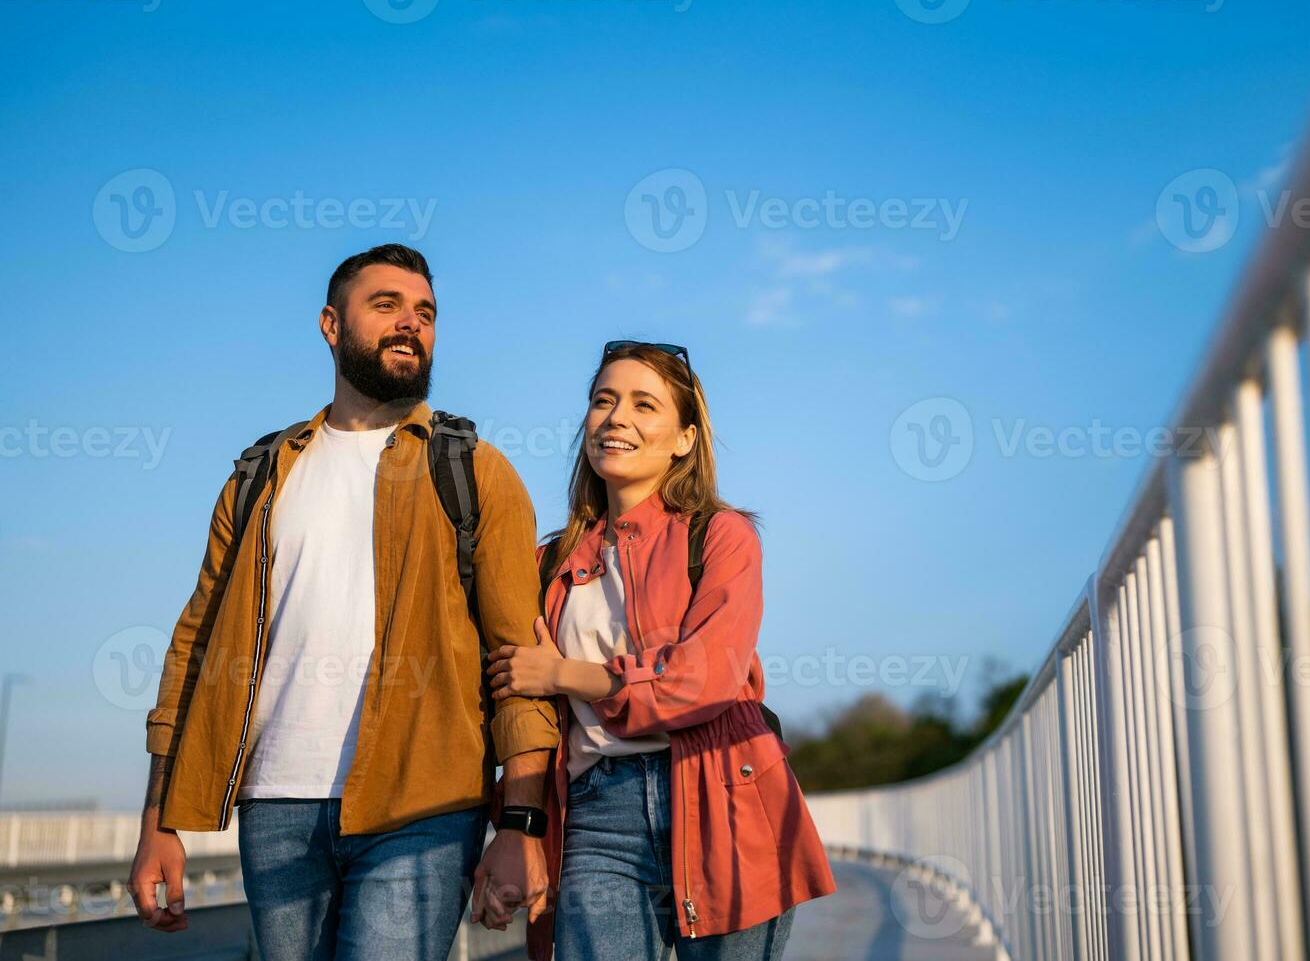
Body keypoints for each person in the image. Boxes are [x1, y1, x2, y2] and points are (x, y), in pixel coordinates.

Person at [127, 243, 559, 960]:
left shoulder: (473, 470)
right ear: (332, 325)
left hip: (424, 804)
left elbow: (521, 665)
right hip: (275, 805)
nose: (409, 324)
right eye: (385, 305)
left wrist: (521, 823)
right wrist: (156, 821)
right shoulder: (259, 476)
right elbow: (194, 651)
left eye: (424, 312)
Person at [485, 340, 836, 961]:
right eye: (603, 401)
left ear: (684, 439)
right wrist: (518, 830)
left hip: (724, 801)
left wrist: (567, 674)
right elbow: (523, 705)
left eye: (644, 405)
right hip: (596, 817)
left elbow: (705, 679)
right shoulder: (548, 567)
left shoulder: (722, 536)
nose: (616, 417)